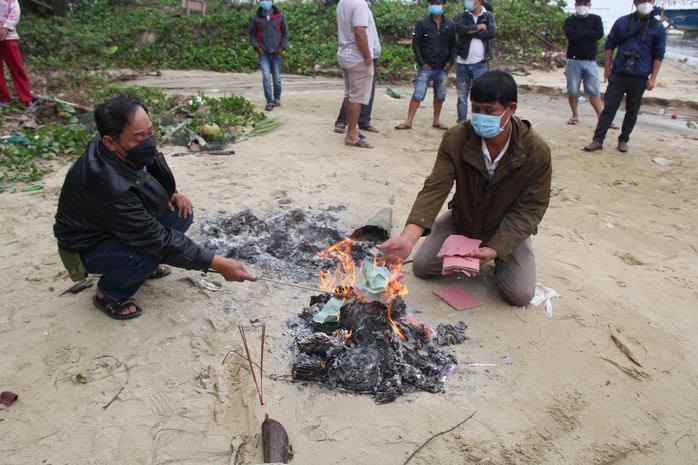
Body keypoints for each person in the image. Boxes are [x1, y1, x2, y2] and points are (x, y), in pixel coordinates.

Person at [54, 95, 256, 320]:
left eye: (150, 132)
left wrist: (170, 194)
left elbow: (145, 175)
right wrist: (216, 263)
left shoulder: (118, 149)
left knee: (181, 214)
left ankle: (139, 265)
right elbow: (155, 238)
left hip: (113, 224)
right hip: (86, 245)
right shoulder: (109, 185)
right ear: (110, 142)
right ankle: (109, 293)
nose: (148, 141)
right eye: (139, 136)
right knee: (147, 253)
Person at [377, 71, 552, 307]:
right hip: (463, 219)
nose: (481, 116)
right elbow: (435, 188)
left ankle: (498, 256)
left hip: (506, 227)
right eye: (476, 108)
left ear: (511, 108)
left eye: (489, 110)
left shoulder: (535, 151)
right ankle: (466, 244)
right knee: (422, 267)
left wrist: (496, 249)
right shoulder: (456, 138)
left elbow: (531, 208)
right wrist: (408, 238)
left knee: (519, 295)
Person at [583, 0, 665, 153]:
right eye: (642, 0)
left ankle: (623, 139)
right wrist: (607, 68)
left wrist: (653, 77)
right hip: (619, 72)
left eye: (649, 1)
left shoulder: (657, 27)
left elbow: (659, 54)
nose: (645, 3)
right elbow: (610, 45)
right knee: (609, 108)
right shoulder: (622, 22)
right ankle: (598, 139)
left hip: (640, 75)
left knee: (632, 110)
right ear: (635, 2)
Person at [394, 0, 456, 131]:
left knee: (440, 95)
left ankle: (436, 120)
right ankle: (408, 121)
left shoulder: (450, 24)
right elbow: (416, 44)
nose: (434, 6)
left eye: (437, 3)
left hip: (443, 67)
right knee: (418, 94)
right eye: (432, 3)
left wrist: (451, 61)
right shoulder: (423, 23)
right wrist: (421, 62)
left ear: (444, 6)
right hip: (426, 66)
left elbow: (453, 44)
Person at [334, 1, 381, 135]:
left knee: (350, 95)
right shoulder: (360, 4)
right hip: (357, 57)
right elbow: (359, 31)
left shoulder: (343, 2)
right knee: (357, 98)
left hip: (346, 54)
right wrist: (367, 57)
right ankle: (352, 134)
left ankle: (352, 129)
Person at [454, 0, 496, 124]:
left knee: (481, 95)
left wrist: (470, 33)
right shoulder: (462, 15)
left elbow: (491, 32)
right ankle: (461, 122)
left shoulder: (488, 15)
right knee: (462, 96)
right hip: (463, 63)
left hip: (480, 63)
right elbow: (460, 29)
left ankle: (479, 122)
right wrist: (479, 27)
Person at [563, 0, 604, 125]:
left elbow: (599, 34)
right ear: (575, 6)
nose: (582, 7)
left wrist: (579, 36)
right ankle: (575, 115)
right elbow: (571, 35)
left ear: (589, 6)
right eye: (580, 4)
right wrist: (588, 34)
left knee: (594, 91)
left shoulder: (596, 19)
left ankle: (602, 118)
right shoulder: (570, 21)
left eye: (585, 4)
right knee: (573, 89)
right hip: (573, 61)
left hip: (590, 61)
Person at [249, 0, 289, 112]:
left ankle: (276, 98)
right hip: (263, 53)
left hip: (277, 52)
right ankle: (269, 101)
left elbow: (285, 32)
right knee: (266, 76)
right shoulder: (256, 18)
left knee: (276, 78)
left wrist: (283, 47)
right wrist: (257, 47)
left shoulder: (280, 16)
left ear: (272, 1)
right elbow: (252, 34)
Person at [0, 0, 35, 108]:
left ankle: (26, 99)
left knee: (17, 67)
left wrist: (6, 28)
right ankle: (3, 99)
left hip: (8, 35)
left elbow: (15, 11)